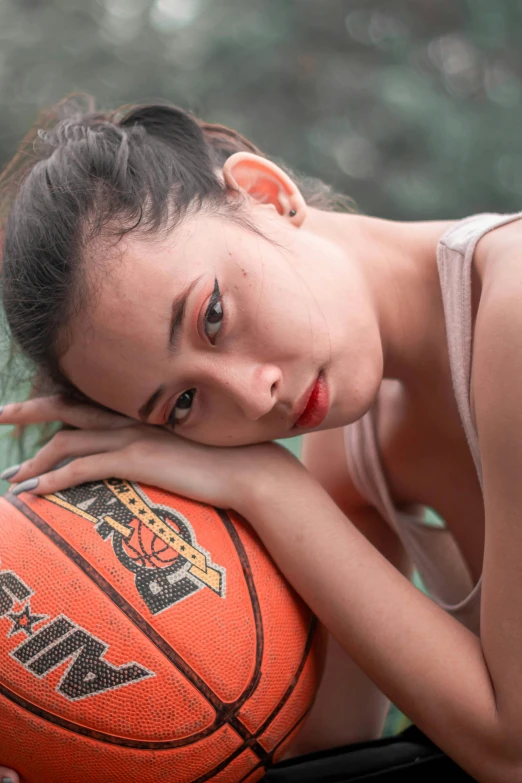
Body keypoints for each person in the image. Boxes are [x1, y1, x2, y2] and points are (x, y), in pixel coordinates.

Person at [0, 94, 520, 783]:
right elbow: (334, 748)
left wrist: (268, 485)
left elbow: (511, 749)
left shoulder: (512, 308)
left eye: (212, 315)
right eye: (183, 404)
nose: (252, 394)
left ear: (265, 194)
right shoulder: (351, 444)